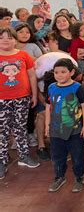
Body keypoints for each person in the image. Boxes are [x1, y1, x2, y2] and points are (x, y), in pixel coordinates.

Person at [0, 27, 40, 179]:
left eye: (9, 37)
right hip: (2, 99)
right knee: (2, 130)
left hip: (22, 98)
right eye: (2, 37)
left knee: (20, 127)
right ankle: (2, 160)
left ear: (15, 40)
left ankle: (24, 156)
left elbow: (31, 76)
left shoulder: (23, 55)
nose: (6, 40)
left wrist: (34, 95)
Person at [45, 58, 84, 193]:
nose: (59, 75)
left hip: (75, 130)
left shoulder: (77, 87)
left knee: (77, 155)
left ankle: (79, 178)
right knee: (57, 155)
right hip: (56, 130)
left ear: (71, 72)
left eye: (63, 72)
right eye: (56, 72)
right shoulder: (51, 87)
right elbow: (48, 107)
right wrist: (47, 125)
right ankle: (59, 177)